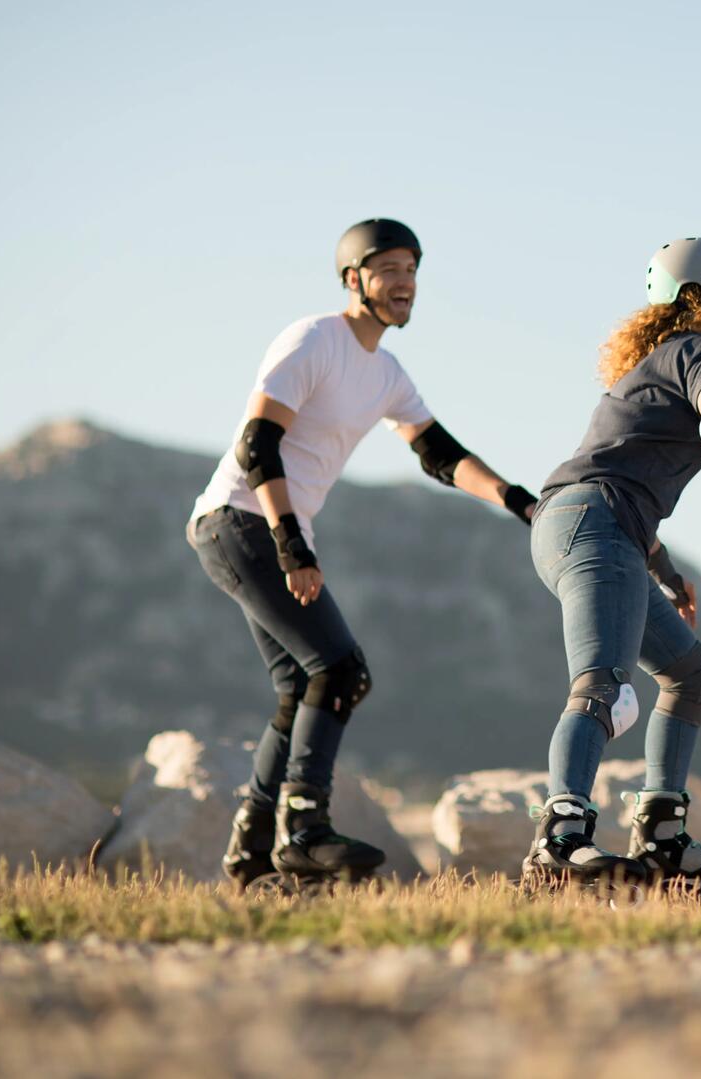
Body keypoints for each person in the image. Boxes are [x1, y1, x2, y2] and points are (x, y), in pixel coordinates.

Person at [188, 218, 539, 886]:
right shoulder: (314, 339)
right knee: (340, 669)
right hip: (241, 520)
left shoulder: (387, 372)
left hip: (265, 529)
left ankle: (251, 850)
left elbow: (440, 454)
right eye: (390, 271)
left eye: (413, 271)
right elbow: (255, 445)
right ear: (354, 280)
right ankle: (304, 828)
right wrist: (291, 542)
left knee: (301, 685)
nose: (405, 283)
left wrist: (519, 499)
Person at [521, 237, 701, 892]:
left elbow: (621, 473)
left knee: (695, 676)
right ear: (699, 297)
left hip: (590, 525)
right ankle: (560, 839)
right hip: (596, 525)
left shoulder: (651, 364)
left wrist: (667, 575)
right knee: (604, 688)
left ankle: (662, 834)